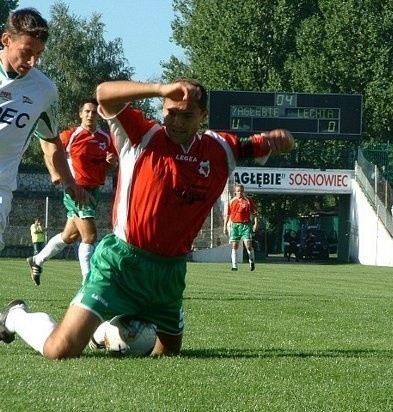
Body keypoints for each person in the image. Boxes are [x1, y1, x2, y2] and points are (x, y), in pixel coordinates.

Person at [0, 78, 294, 359]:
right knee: (59, 350)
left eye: (187, 116)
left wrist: (277, 141)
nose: (177, 122)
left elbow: (256, 144)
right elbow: (103, 92)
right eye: (171, 113)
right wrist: (159, 88)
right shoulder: (140, 133)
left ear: (203, 115)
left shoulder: (219, 148)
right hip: (120, 264)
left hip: (169, 273)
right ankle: (17, 317)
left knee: (167, 353)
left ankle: (104, 332)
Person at [0, 8, 88, 254]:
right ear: (6, 40)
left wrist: (69, 182)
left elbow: (50, 141)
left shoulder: (44, 90)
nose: (32, 62)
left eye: (38, 54)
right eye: (27, 52)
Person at [27, 98, 118, 285]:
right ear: (80, 114)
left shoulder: (106, 138)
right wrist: (54, 172)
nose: (90, 115)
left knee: (70, 236)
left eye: (94, 112)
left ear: (99, 115)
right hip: (76, 190)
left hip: (94, 191)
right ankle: (88, 282)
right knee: (90, 235)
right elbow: (49, 152)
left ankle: (36, 260)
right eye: (87, 112)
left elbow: (112, 165)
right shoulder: (71, 135)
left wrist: (112, 163)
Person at [223, 184, 259, 271]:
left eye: (241, 191)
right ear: (235, 192)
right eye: (238, 191)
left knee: (248, 245)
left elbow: (255, 213)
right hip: (235, 225)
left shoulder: (248, 201)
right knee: (234, 246)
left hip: (246, 225)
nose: (240, 193)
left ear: (244, 191)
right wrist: (225, 226)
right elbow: (227, 215)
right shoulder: (231, 202)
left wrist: (256, 223)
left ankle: (251, 261)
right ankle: (234, 266)